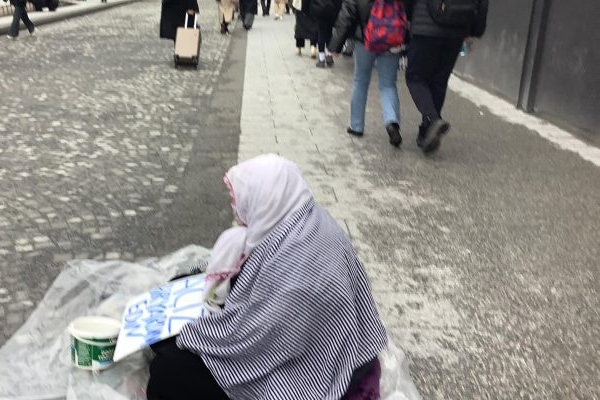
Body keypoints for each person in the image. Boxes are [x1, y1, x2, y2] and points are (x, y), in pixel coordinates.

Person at [147, 154, 388, 400]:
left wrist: (195, 335)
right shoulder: (302, 218)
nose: (235, 207)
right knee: (173, 314)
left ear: (265, 198)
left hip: (318, 370)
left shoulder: (296, 265)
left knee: (167, 370)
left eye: (237, 199)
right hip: (316, 342)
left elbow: (255, 344)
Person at [404, 0, 488, 153]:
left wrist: (408, 16)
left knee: (415, 77)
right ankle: (426, 133)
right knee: (439, 81)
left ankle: (432, 120)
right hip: (456, 31)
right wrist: (474, 31)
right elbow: (482, 5)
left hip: (426, 26)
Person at [328, 0, 407, 146]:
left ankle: (356, 126)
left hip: (364, 39)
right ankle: (392, 122)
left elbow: (347, 14)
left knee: (360, 81)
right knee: (388, 84)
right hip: (392, 37)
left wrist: (336, 45)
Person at [309, 0, 341, 67]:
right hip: (332, 9)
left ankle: (322, 59)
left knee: (321, 33)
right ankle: (329, 55)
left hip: (319, 9)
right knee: (329, 33)